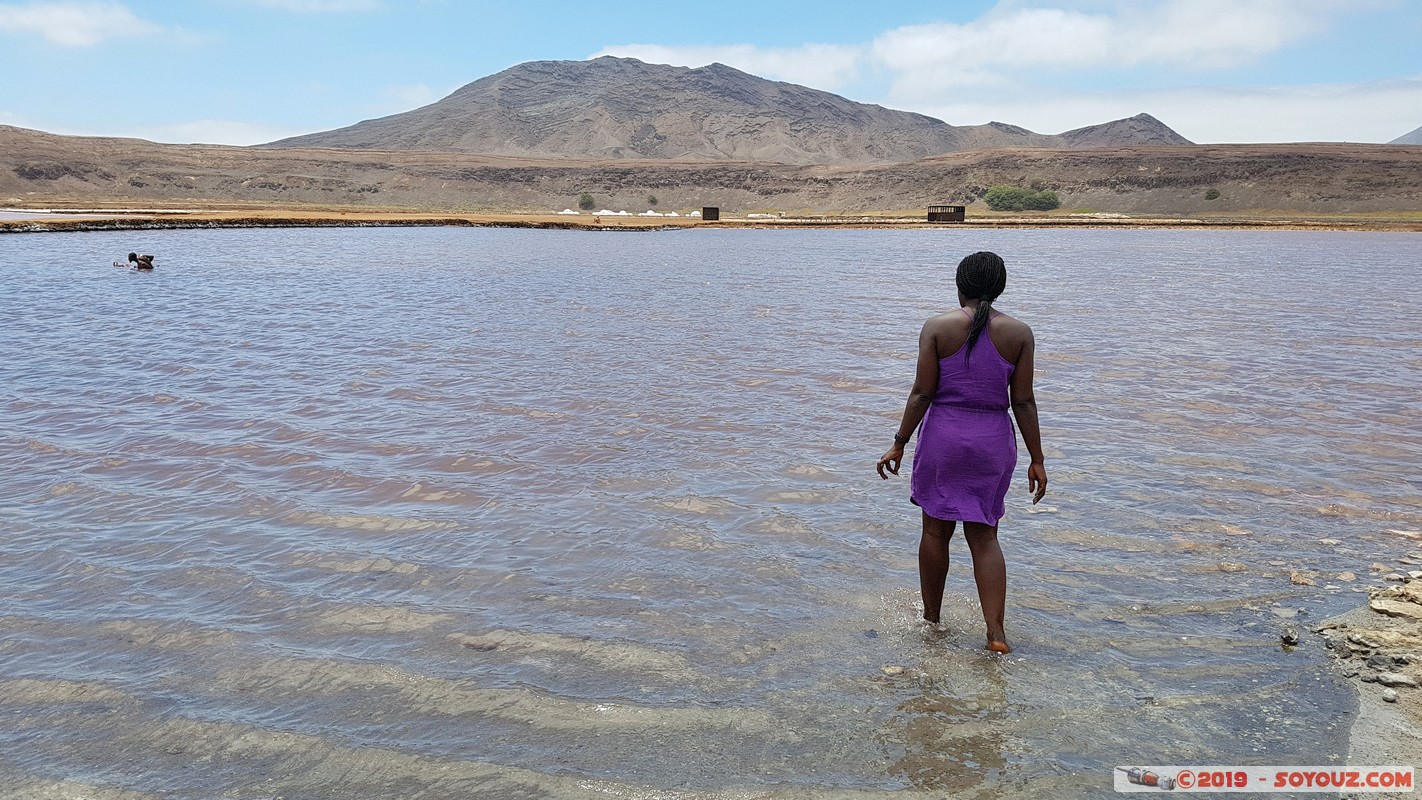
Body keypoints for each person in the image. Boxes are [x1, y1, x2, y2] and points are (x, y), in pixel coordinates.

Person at [876, 251, 1047, 653]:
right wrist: (1037, 459)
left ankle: (932, 622)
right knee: (985, 536)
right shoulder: (1020, 334)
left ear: (960, 286)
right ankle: (996, 635)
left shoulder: (937, 327)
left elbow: (922, 392)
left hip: (944, 437)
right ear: (1001, 287)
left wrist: (899, 442)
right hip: (992, 440)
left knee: (935, 530)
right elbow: (1023, 402)